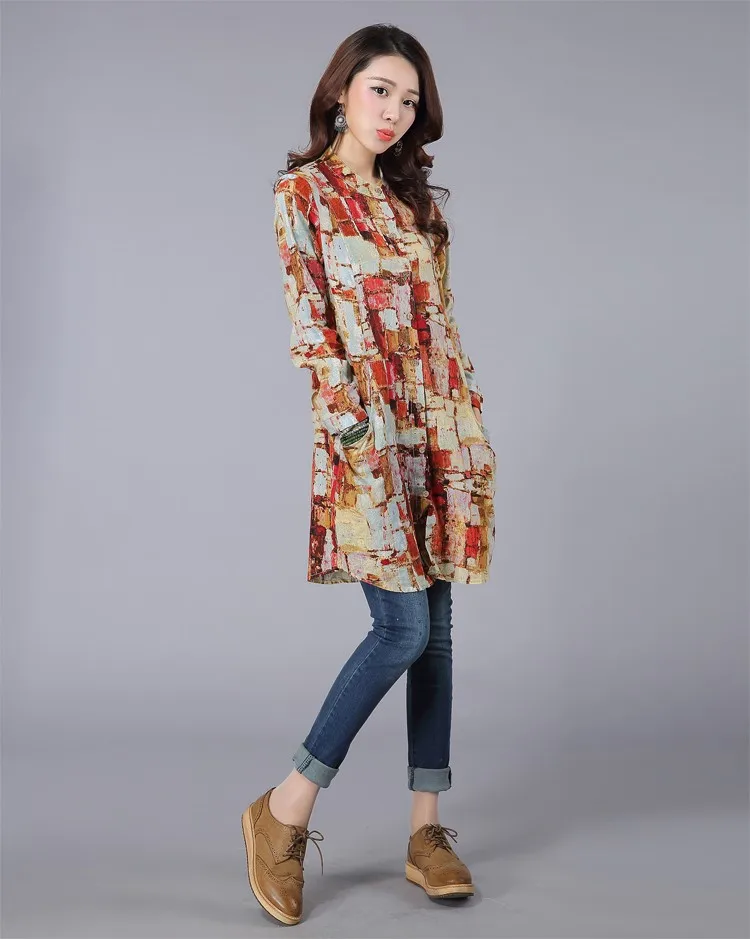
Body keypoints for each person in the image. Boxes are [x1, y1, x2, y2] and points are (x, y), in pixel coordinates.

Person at [241, 23, 496, 927]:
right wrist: (357, 435)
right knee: (401, 628)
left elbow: (441, 328)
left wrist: (468, 430)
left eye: (410, 100)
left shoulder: (416, 207)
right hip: (365, 439)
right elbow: (313, 332)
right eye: (381, 90)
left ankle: (427, 831)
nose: (395, 112)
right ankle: (284, 808)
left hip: (441, 433)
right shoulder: (302, 195)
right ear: (341, 91)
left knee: (438, 633)